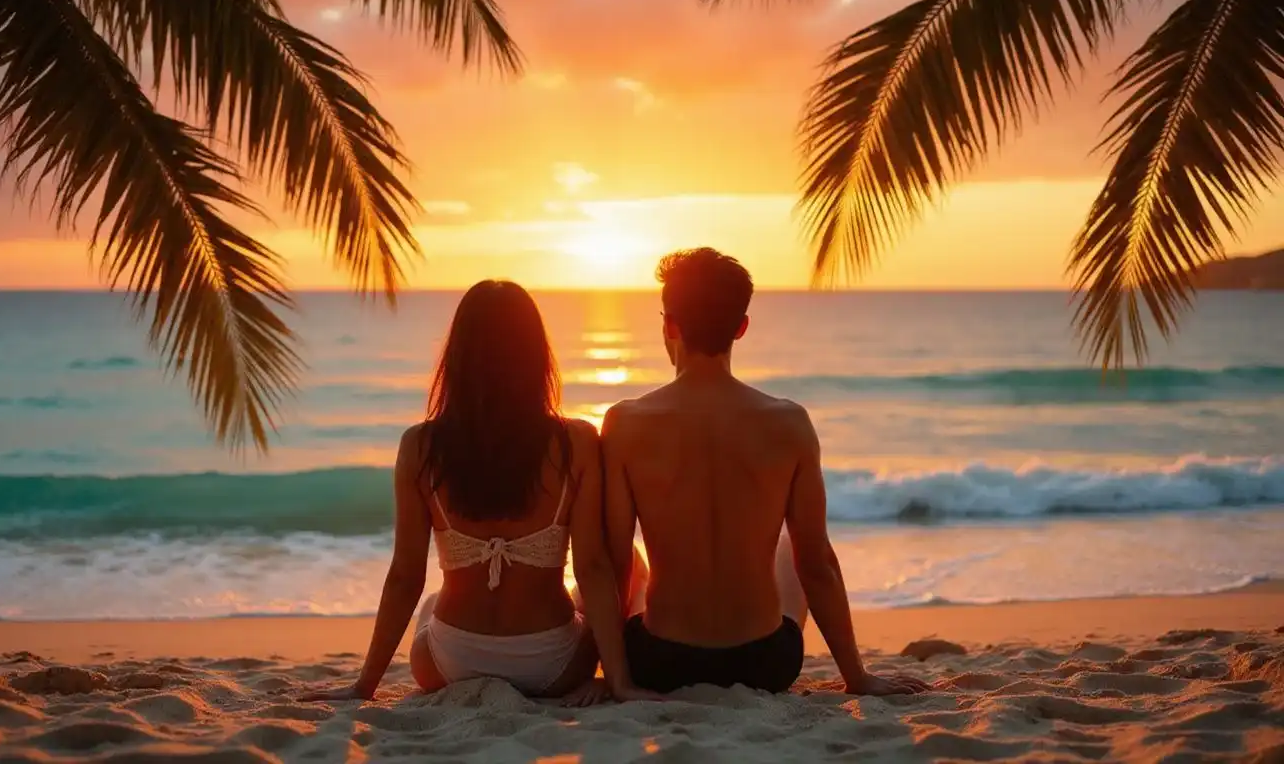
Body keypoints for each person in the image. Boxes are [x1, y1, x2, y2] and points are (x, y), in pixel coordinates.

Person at [587, 248, 932, 697]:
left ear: (669, 325)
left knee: (634, 562)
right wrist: (857, 677)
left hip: (661, 662)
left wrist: (616, 675)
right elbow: (817, 565)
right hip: (767, 662)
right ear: (741, 327)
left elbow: (613, 563)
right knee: (795, 546)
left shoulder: (625, 423)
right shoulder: (789, 423)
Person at [301, 280, 648, 705]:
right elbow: (592, 567)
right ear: (536, 357)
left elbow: (405, 576)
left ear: (457, 357)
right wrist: (618, 681)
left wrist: (364, 685)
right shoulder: (575, 442)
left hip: (452, 660)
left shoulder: (420, 447)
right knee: (631, 567)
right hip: (550, 664)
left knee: (431, 602)